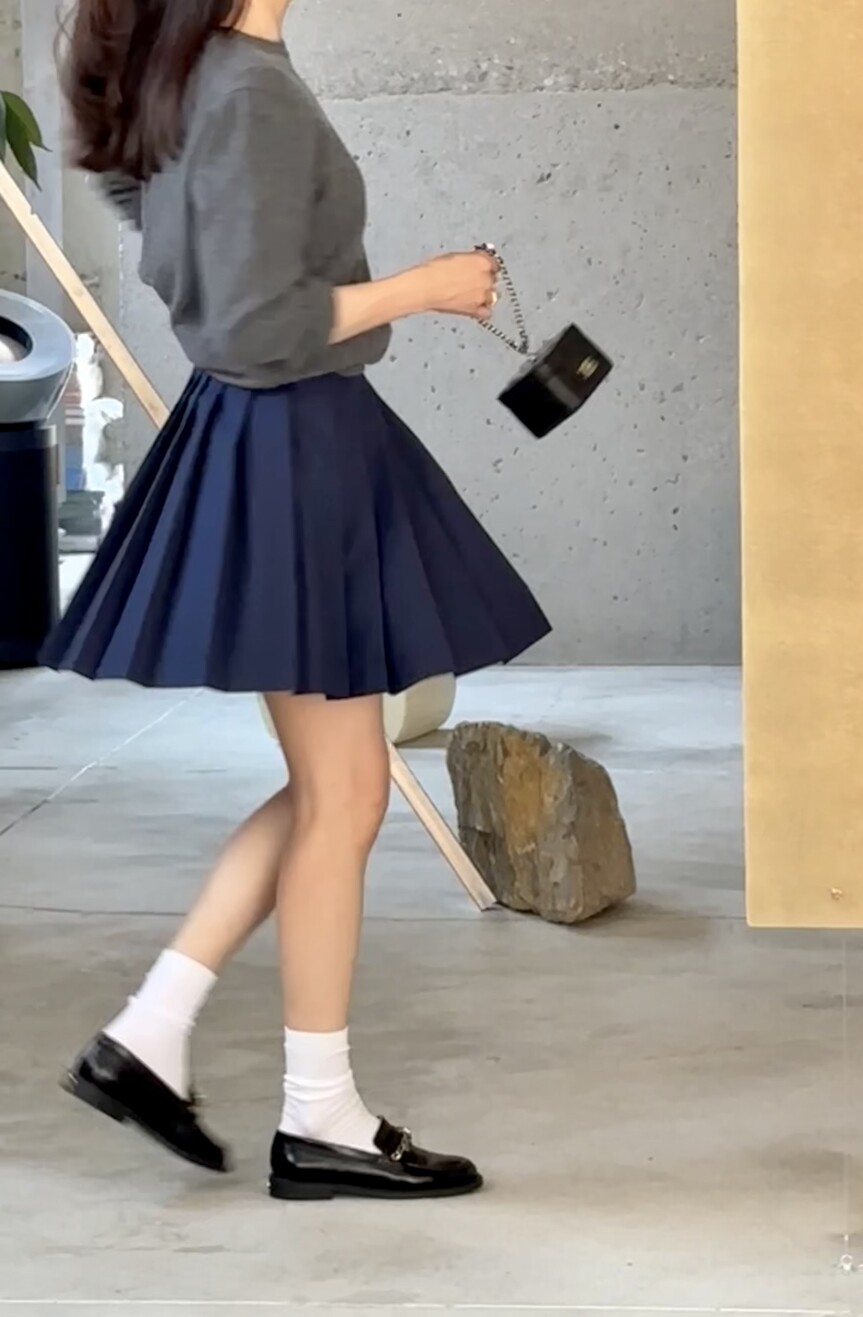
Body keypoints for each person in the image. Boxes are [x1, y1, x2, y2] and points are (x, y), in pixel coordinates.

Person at [45, 0, 551, 1202]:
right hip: (292, 439)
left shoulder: (199, 77)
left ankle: (153, 1036)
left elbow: (203, 272)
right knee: (347, 792)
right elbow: (257, 322)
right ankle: (313, 1115)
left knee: (337, 786)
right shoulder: (247, 89)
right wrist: (426, 287)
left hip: (271, 438)